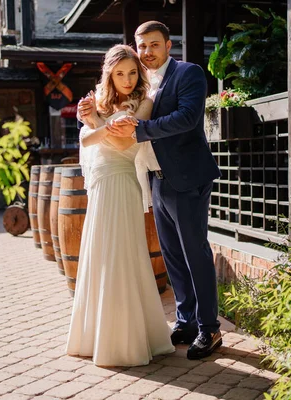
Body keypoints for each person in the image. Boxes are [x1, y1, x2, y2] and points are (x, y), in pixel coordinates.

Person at [79, 21, 223, 360]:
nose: (147, 52)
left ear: (169, 45)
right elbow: (106, 121)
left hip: (186, 177)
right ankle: (186, 321)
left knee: (194, 251)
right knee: (172, 255)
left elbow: (187, 118)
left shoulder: (189, 74)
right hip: (154, 177)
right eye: (142, 46)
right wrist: (93, 116)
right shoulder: (140, 84)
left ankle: (209, 328)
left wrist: (140, 128)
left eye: (154, 45)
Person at [65, 44, 175, 367]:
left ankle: (129, 339)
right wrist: (96, 121)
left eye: (131, 73)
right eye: (119, 74)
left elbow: (125, 141)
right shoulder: (98, 100)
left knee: (125, 253)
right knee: (99, 252)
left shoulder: (145, 102)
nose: (126, 80)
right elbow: (86, 141)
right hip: (101, 183)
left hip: (125, 179)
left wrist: (96, 121)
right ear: (109, 75)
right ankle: (93, 335)